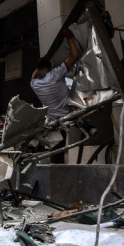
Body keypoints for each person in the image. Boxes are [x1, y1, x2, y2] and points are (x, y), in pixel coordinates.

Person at [30, 30, 80, 163]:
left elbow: (33, 76)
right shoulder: (55, 75)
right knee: (59, 151)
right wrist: (70, 38)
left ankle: (54, 170)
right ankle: (58, 174)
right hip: (65, 117)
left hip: (52, 122)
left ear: (39, 70)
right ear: (49, 68)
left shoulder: (35, 85)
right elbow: (75, 56)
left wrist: (39, 65)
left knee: (56, 150)